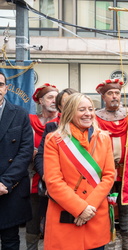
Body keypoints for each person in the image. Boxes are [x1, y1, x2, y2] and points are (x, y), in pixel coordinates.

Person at [43, 93, 116, 249]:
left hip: (95, 216)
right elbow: (53, 182)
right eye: (81, 109)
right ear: (70, 112)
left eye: (90, 109)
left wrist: (88, 208)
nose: (88, 113)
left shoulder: (103, 138)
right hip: (65, 217)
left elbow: (109, 176)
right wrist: (80, 208)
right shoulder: (53, 140)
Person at [95, 79, 128, 250]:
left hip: (126, 171)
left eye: (117, 93)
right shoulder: (96, 117)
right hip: (104, 173)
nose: (114, 96)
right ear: (103, 97)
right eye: (110, 93)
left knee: (126, 207)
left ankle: (127, 244)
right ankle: (108, 243)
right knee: (105, 207)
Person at [0, 72, 34, 249]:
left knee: (11, 240)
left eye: (0, 85)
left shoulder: (20, 114)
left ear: (6, 88)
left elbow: (25, 151)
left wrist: (5, 182)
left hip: (10, 189)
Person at [27, 83, 59, 249]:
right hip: (34, 177)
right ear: (40, 101)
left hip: (58, 178)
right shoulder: (30, 121)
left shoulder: (63, 122)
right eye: (50, 97)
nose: (54, 100)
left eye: (56, 97)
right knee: (33, 219)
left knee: (54, 221)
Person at [34, 88, 78, 192]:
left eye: (74, 101)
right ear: (60, 107)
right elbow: (40, 156)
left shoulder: (92, 128)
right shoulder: (52, 127)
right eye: (66, 102)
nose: (71, 105)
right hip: (59, 185)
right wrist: (46, 177)